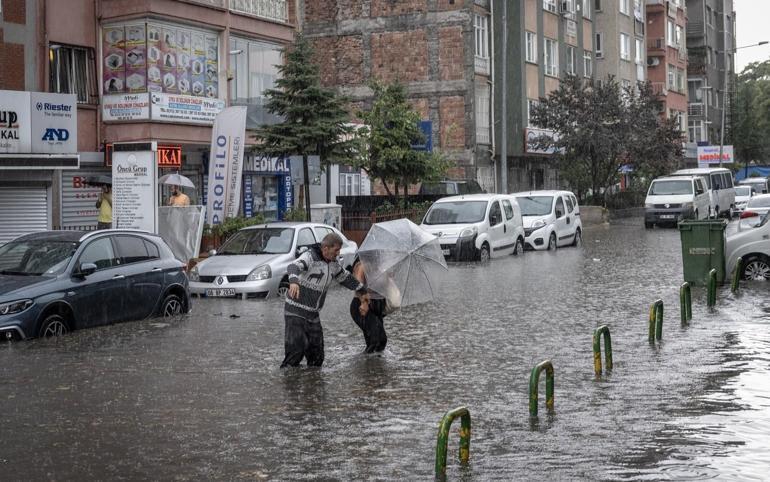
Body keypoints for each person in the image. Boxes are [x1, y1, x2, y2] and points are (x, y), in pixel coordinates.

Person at [281, 233, 366, 368]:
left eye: (339, 250)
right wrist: (293, 281)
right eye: (336, 250)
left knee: (317, 357)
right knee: (295, 355)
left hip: (313, 315)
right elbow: (293, 267)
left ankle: (314, 386)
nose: (338, 254)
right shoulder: (309, 257)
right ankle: (290, 385)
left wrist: (364, 290)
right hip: (295, 313)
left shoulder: (333, 264)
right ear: (325, 248)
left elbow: (346, 278)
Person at [349, 258, 400, 353]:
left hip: (378, 305)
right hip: (362, 305)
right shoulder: (362, 266)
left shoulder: (383, 267)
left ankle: (373, 365)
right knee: (376, 340)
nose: (379, 254)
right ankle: (365, 363)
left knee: (380, 342)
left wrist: (389, 277)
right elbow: (357, 285)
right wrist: (364, 303)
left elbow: (385, 287)